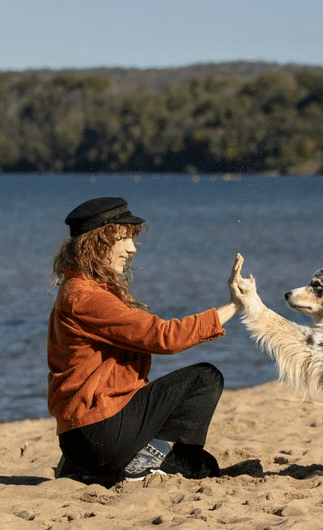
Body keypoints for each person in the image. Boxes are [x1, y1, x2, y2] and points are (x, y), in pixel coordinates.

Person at [47, 196, 244, 481]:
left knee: (204, 466)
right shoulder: (85, 296)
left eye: (132, 240)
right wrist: (233, 306)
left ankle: (138, 456)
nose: (131, 249)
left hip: (85, 437)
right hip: (97, 435)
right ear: (96, 242)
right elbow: (163, 337)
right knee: (206, 379)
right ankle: (140, 461)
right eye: (123, 239)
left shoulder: (82, 289)